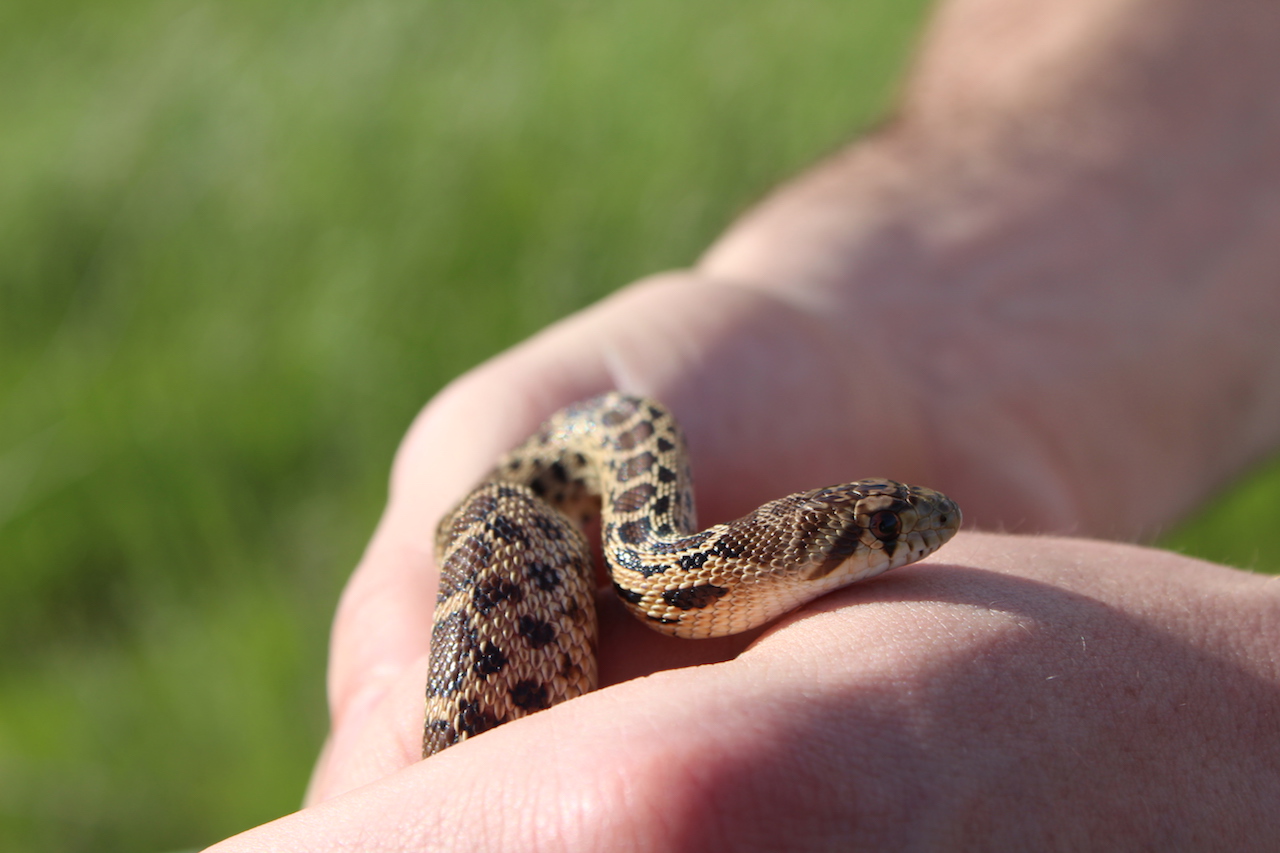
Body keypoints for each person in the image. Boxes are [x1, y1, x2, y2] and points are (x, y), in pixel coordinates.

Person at [207, 0, 1280, 848]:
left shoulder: (673, 565)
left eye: (898, 518)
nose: (924, 526)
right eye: (894, 524)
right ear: (823, 544)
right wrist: (899, 347)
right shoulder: (653, 544)